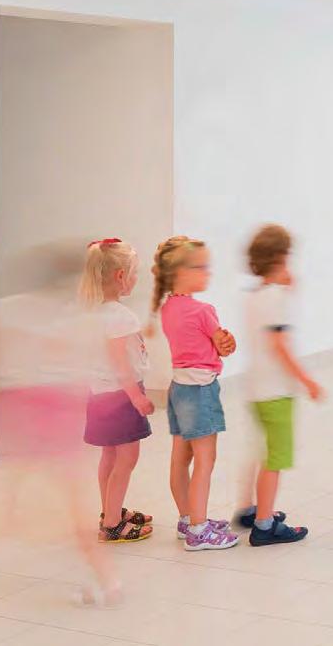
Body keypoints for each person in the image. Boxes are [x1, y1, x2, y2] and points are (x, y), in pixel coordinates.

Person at [0, 242, 119, 606]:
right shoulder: (84, 319)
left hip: (20, 413)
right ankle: (107, 581)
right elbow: (92, 369)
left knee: (12, 490)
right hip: (58, 416)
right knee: (74, 501)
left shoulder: (11, 310)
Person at [233, 224, 323, 546]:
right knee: (274, 460)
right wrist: (306, 379)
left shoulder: (254, 296)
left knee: (260, 451)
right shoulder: (276, 298)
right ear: (281, 257)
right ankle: (265, 524)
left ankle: (249, 508)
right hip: (276, 391)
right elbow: (279, 345)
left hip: (256, 389)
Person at [151, 236, 238, 551]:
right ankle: (199, 531)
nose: (207, 272)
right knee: (205, 459)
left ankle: (188, 519)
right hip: (200, 390)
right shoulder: (203, 311)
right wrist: (227, 344)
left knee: (180, 458)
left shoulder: (167, 309)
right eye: (201, 267)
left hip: (178, 389)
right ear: (180, 272)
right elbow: (223, 347)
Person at [79, 238, 155, 546]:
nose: (136, 280)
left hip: (99, 394)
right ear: (121, 276)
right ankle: (112, 524)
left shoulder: (93, 313)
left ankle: (110, 510)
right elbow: (120, 362)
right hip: (121, 396)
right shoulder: (121, 317)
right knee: (127, 458)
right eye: (134, 274)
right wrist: (136, 397)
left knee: (109, 455)